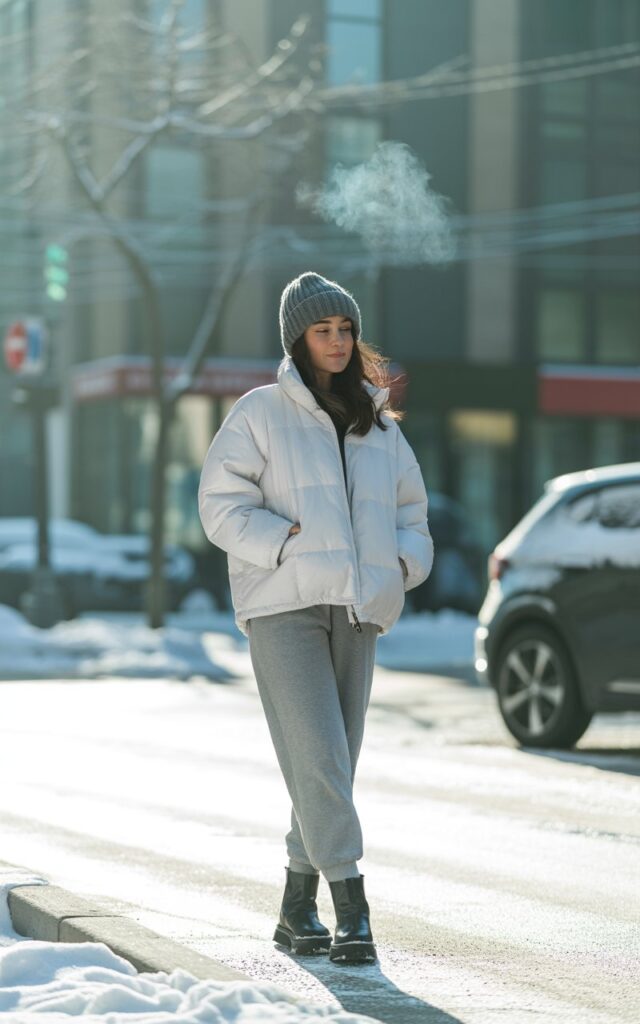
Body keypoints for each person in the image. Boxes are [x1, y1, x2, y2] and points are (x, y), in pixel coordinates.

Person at [198, 271, 433, 964]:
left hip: (358, 610)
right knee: (321, 756)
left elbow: (411, 513)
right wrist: (278, 540)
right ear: (297, 339)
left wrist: (400, 565)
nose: (337, 341)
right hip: (284, 606)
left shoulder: (378, 424)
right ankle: (351, 907)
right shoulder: (260, 412)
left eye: (346, 330)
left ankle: (296, 904)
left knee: (330, 763)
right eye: (323, 330)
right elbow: (220, 503)